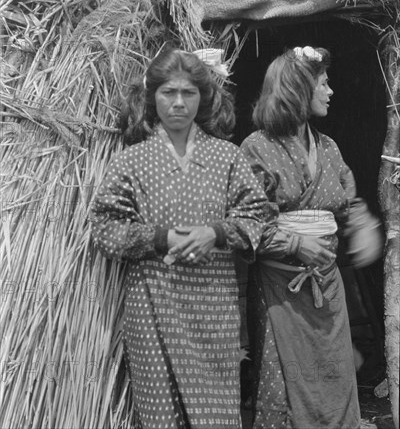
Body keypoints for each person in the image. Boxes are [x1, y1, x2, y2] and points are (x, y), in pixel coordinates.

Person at [91, 47, 269, 429]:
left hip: (212, 309)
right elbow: (105, 227)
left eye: (188, 93)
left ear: (202, 97)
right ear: (152, 97)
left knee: (217, 415)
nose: (178, 103)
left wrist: (216, 232)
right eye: (168, 92)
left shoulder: (227, 157)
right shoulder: (131, 161)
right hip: (154, 303)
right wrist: (161, 237)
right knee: (160, 416)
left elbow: (257, 215)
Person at [240, 46, 382, 429]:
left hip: (327, 291)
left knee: (334, 379)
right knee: (284, 382)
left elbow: (349, 202)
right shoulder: (257, 148)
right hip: (280, 289)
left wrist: (361, 225)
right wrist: (296, 243)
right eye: (323, 82)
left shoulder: (330, 149)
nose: (330, 90)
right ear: (299, 90)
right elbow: (244, 224)